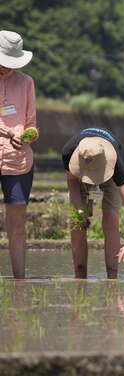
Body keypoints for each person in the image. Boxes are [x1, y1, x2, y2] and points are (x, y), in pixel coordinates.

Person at [61, 128, 124, 278]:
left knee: (110, 219)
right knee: (77, 223)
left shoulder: (116, 161)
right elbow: (71, 180)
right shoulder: (69, 152)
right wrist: (79, 209)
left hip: (107, 169)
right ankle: (80, 277)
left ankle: (112, 278)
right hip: (81, 171)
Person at [0, 30, 37, 279]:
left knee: (17, 226)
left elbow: (30, 122)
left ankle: (19, 282)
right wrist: (6, 132)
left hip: (19, 161)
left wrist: (29, 135)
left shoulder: (26, 82)